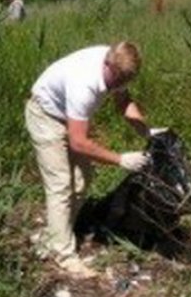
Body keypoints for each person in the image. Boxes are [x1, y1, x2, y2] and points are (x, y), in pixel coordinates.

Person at [24, 41, 166, 275]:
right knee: (60, 184)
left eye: (125, 82)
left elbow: (124, 103)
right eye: (118, 80)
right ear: (108, 66)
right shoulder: (84, 84)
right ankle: (63, 254)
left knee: (82, 180)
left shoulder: (117, 65)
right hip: (45, 116)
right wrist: (121, 159)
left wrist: (146, 131)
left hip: (68, 117)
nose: (120, 86)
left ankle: (58, 233)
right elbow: (78, 142)